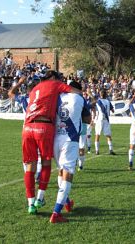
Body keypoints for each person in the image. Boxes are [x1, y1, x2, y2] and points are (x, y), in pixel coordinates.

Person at [22, 70, 81, 215]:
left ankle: (30, 203)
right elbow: (74, 92)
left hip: (27, 127)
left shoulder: (35, 89)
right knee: (46, 162)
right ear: (54, 78)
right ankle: (40, 198)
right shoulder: (55, 84)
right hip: (44, 126)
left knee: (30, 166)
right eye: (59, 78)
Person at [50, 81, 91, 223]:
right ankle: (56, 213)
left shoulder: (58, 97)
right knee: (68, 176)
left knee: (61, 172)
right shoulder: (80, 98)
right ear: (78, 89)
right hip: (70, 140)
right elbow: (88, 119)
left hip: (56, 139)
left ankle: (67, 202)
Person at [8, 76, 43, 183]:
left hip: (27, 128)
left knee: (27, 154)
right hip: (40, 128)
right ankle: (37, 176)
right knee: (40, 155)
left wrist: (19, 83)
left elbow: (10, 93)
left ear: (28, 91)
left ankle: (29, 175)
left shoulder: (24, 99)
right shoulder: (42, 99)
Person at [94, 90, 116, 155]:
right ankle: (111, 150)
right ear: (106, 95)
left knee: (97, 134)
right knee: (108, 135)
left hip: (99, 119)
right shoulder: (108, 102)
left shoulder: (98, 101)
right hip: (106, 119)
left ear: (100, 95)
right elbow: (113, 111)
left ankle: (97, 151)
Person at [77, 91, 92, 170]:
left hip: (75, 127)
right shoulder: (84, 104)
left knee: (74, 146)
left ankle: (77, 164)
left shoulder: (73, 103)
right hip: (82, 126)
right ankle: (80, 165)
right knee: (81, 146)